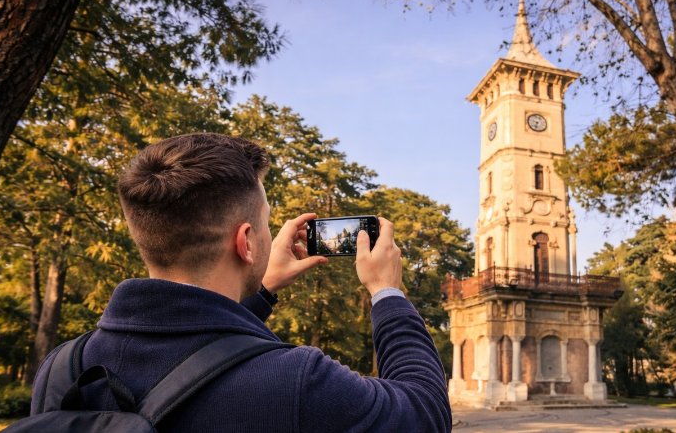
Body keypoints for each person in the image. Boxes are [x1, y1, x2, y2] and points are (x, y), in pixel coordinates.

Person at [29, 133, 452, 432]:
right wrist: (387, 293)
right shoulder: (296, 381)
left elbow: (193, 350)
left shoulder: (66, 367)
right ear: (246, 241)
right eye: (265, 223)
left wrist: (263, 291)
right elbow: (425, 413)